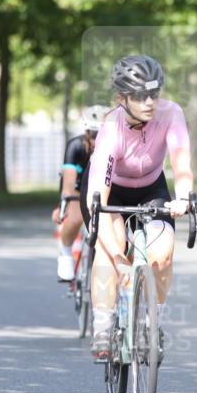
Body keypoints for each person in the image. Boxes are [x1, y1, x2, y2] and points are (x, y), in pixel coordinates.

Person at [81, 55, 195, 359]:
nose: (149, 102)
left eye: (154, 94)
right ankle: (104, 326)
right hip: (111, 191)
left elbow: (181, 162)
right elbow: (99, 191)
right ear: (121, 98)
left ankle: (151, 321)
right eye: (140, 96)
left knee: (163, 251)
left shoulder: (171, 114)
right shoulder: (110, 126)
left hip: (151, 187)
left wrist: (183, 197)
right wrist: (120, 260)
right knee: (110, 250)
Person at [53, 106, 108, 282]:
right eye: (93, 135)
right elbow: (68, 184)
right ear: (86, 132)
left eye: (101, 135)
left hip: (102, 187)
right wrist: (64, 205)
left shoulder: (114, 146)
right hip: (78, 187)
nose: (96, 140)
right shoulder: (76, 146)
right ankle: (66, 252)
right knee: (75, 217)